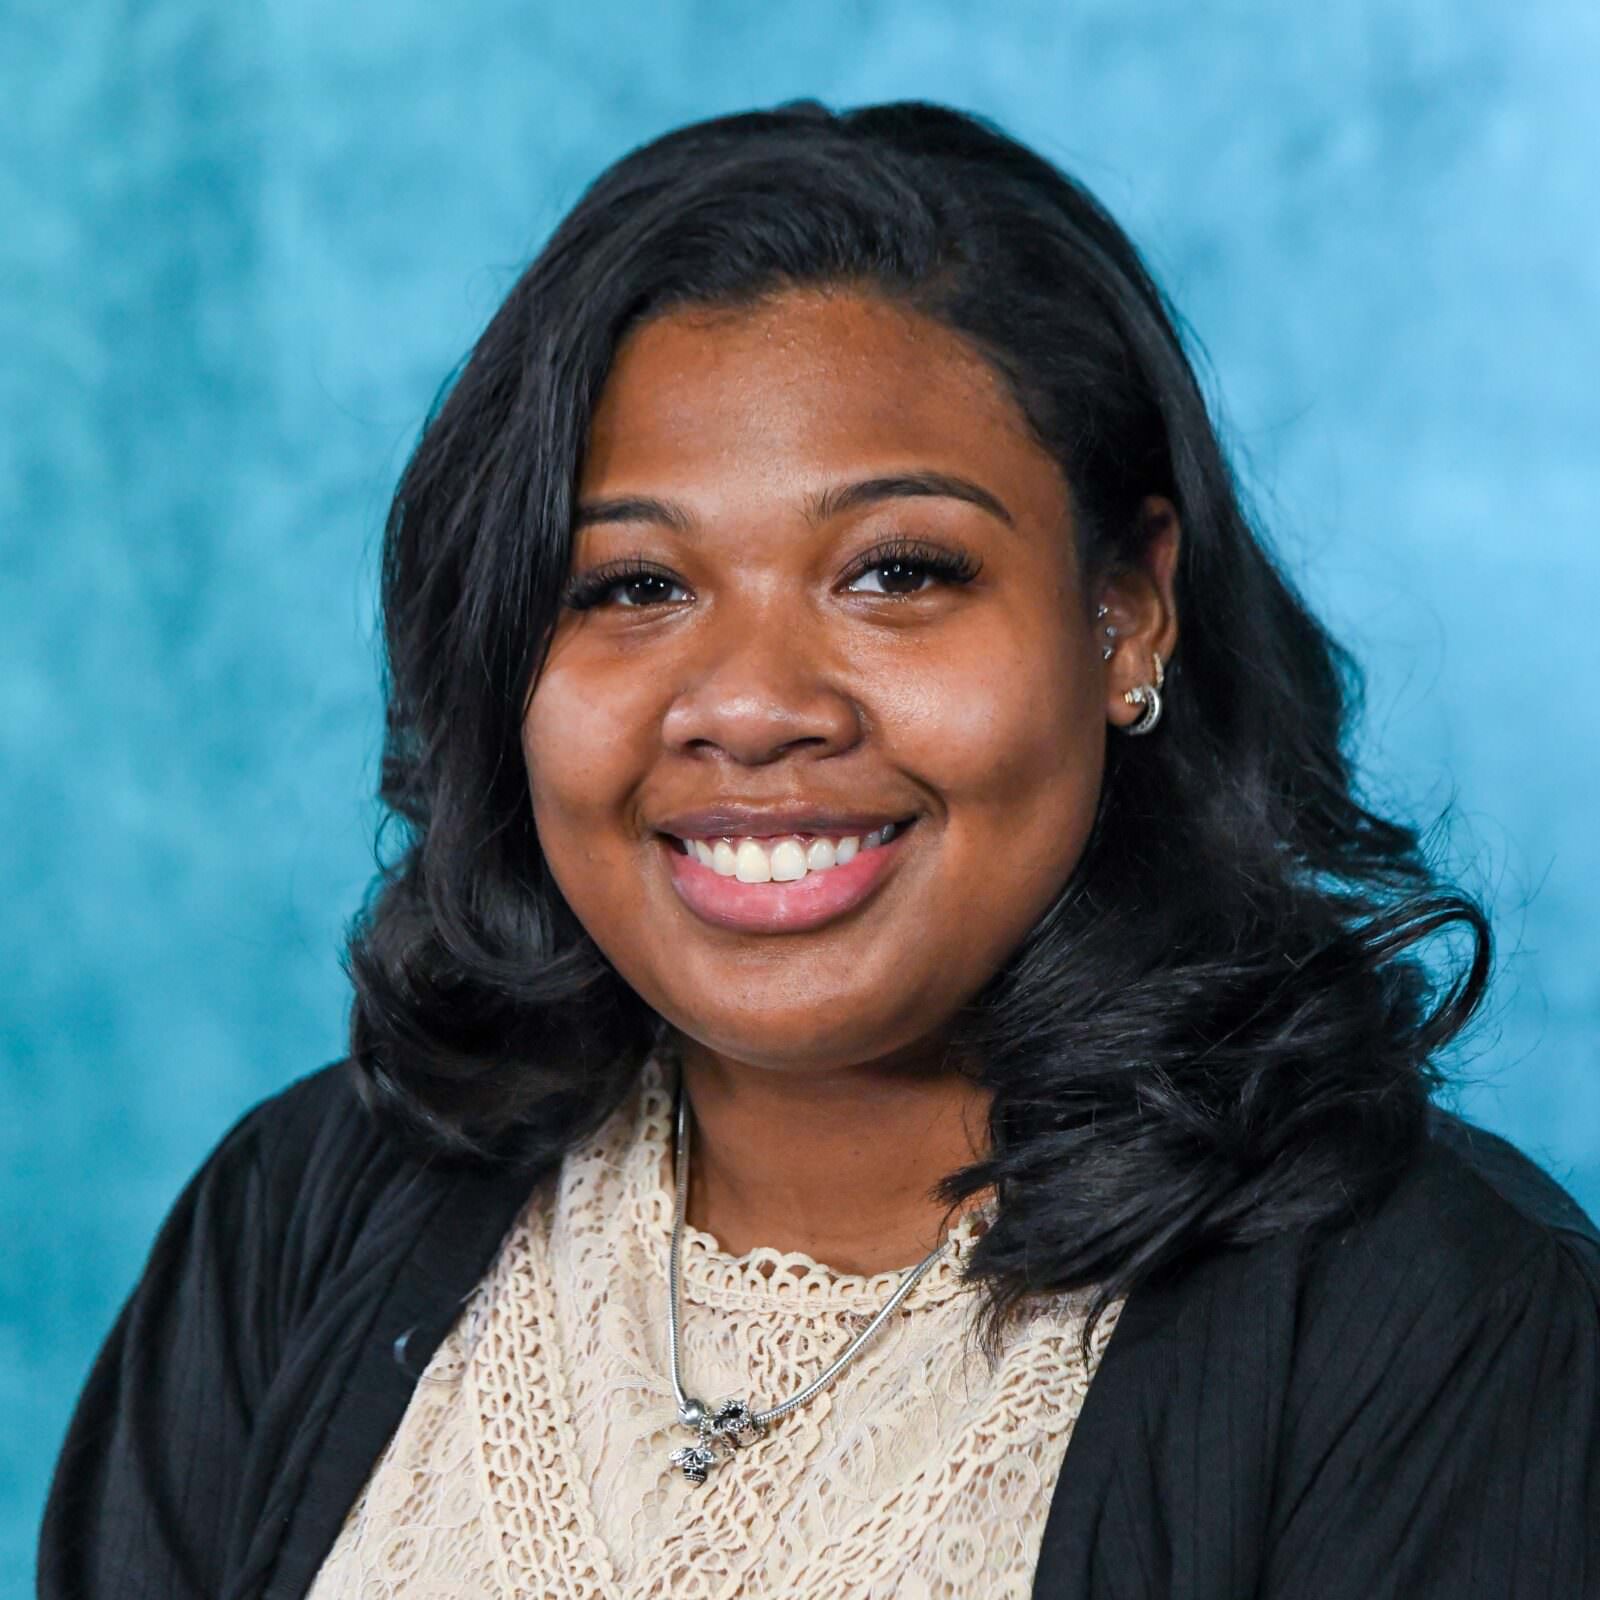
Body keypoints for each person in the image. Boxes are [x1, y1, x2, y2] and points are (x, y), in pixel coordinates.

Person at [40, 100, 1599, 1600]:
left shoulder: (1442, 1325)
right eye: (633, 587)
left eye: (897, 572)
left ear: (1126, 614)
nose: (751, 707)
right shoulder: (300, 1216)